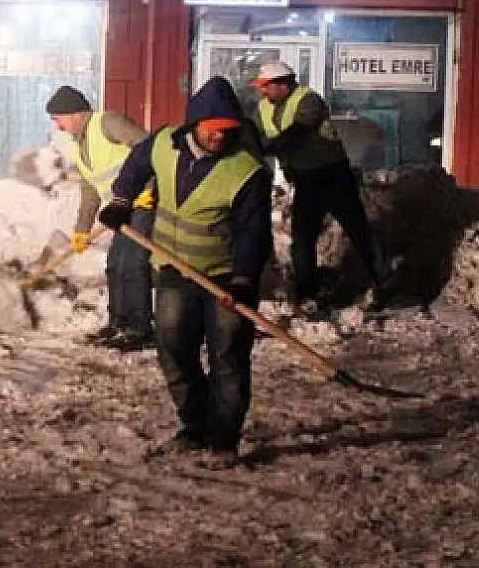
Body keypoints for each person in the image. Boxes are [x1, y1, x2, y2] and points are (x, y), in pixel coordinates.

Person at [97, 76, 273, 468]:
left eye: (229, 131)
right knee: (173, 348)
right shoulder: (163, 144)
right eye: (214, 130)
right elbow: (136, 163)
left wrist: (244, 280)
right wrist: (123, 200)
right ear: (195, 124)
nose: (221, 137)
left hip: (225, 276)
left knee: (228, 354)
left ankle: (223, 438)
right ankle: (195, 427)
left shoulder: (246, 171)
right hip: (175, 270)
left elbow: (253, 232)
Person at [250, 61, 396, 310]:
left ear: (283, 84)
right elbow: (255, 134)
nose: (262, 92)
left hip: (332, 175)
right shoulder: (263, 108)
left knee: (357, 230)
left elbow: (298, 131)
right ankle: (306, 293)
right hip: (306, 178)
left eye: (266, 86)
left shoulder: (309, 101)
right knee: (303, 237)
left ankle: (385, 282)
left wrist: (269, 147)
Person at [45, 85, 156, 351]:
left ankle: (139, 329)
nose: (58, 127)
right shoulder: (81, 146)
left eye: (58, 119)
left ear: (75, 114)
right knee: (115, 264)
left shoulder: (108, 123)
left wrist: (148, 188)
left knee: (133, 264)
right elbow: (90, 190)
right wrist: (81, 229)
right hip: (120, 209)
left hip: (143, 203)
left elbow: (149, 149)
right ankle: (118, 324)